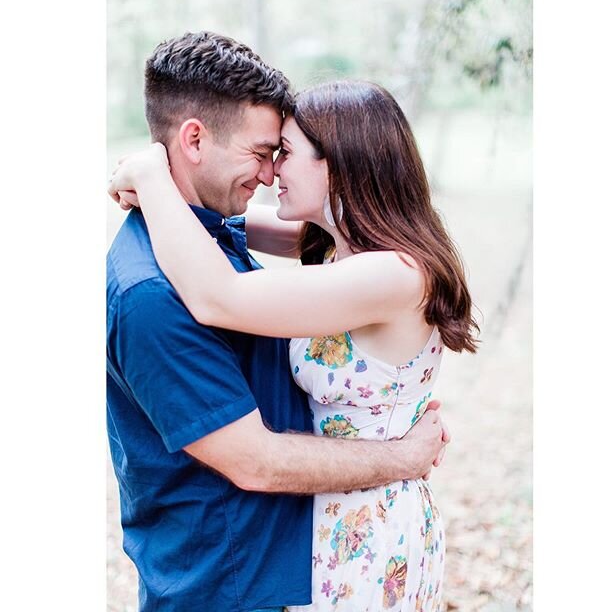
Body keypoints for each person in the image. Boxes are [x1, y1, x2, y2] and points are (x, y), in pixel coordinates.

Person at [107, 31, 449, 612]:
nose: (271, 174)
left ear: (340, 165)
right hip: (317, 532)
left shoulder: (389, 272)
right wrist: (159, 189)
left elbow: (221, 296)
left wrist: (153, 176)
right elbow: (230, 231)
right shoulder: (340, 248)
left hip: (363, 531)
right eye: (267, 152)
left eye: (283, 154)